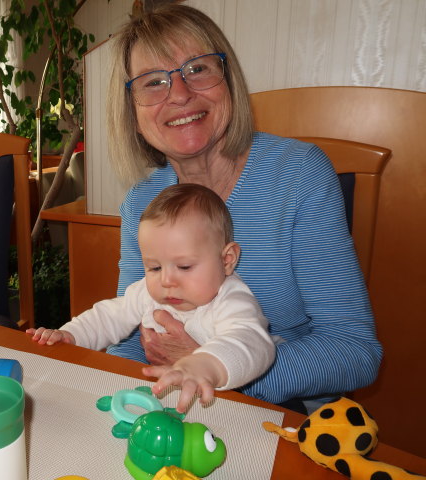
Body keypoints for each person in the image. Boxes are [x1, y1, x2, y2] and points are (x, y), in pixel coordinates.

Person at [104, 3, 382, 413]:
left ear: (228, 80)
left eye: (197, 69)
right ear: (132, 112)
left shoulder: (299, 174)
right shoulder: (141, 203)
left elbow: (355, 350)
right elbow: (128, 339)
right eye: (152, 82)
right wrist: (122, 405)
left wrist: (219, 368)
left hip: (286, 413)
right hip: (175, 405)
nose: (179, 94)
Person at [28, 183, 275, 412]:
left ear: (226, 260)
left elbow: (253, 343)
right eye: (154, 268)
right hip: (172, 398)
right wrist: (70, 336)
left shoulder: (231, 300)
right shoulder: (147, 292)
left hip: (233, 403)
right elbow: (109, 316)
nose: (166, 281)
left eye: (185, 267)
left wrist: (204, 365)